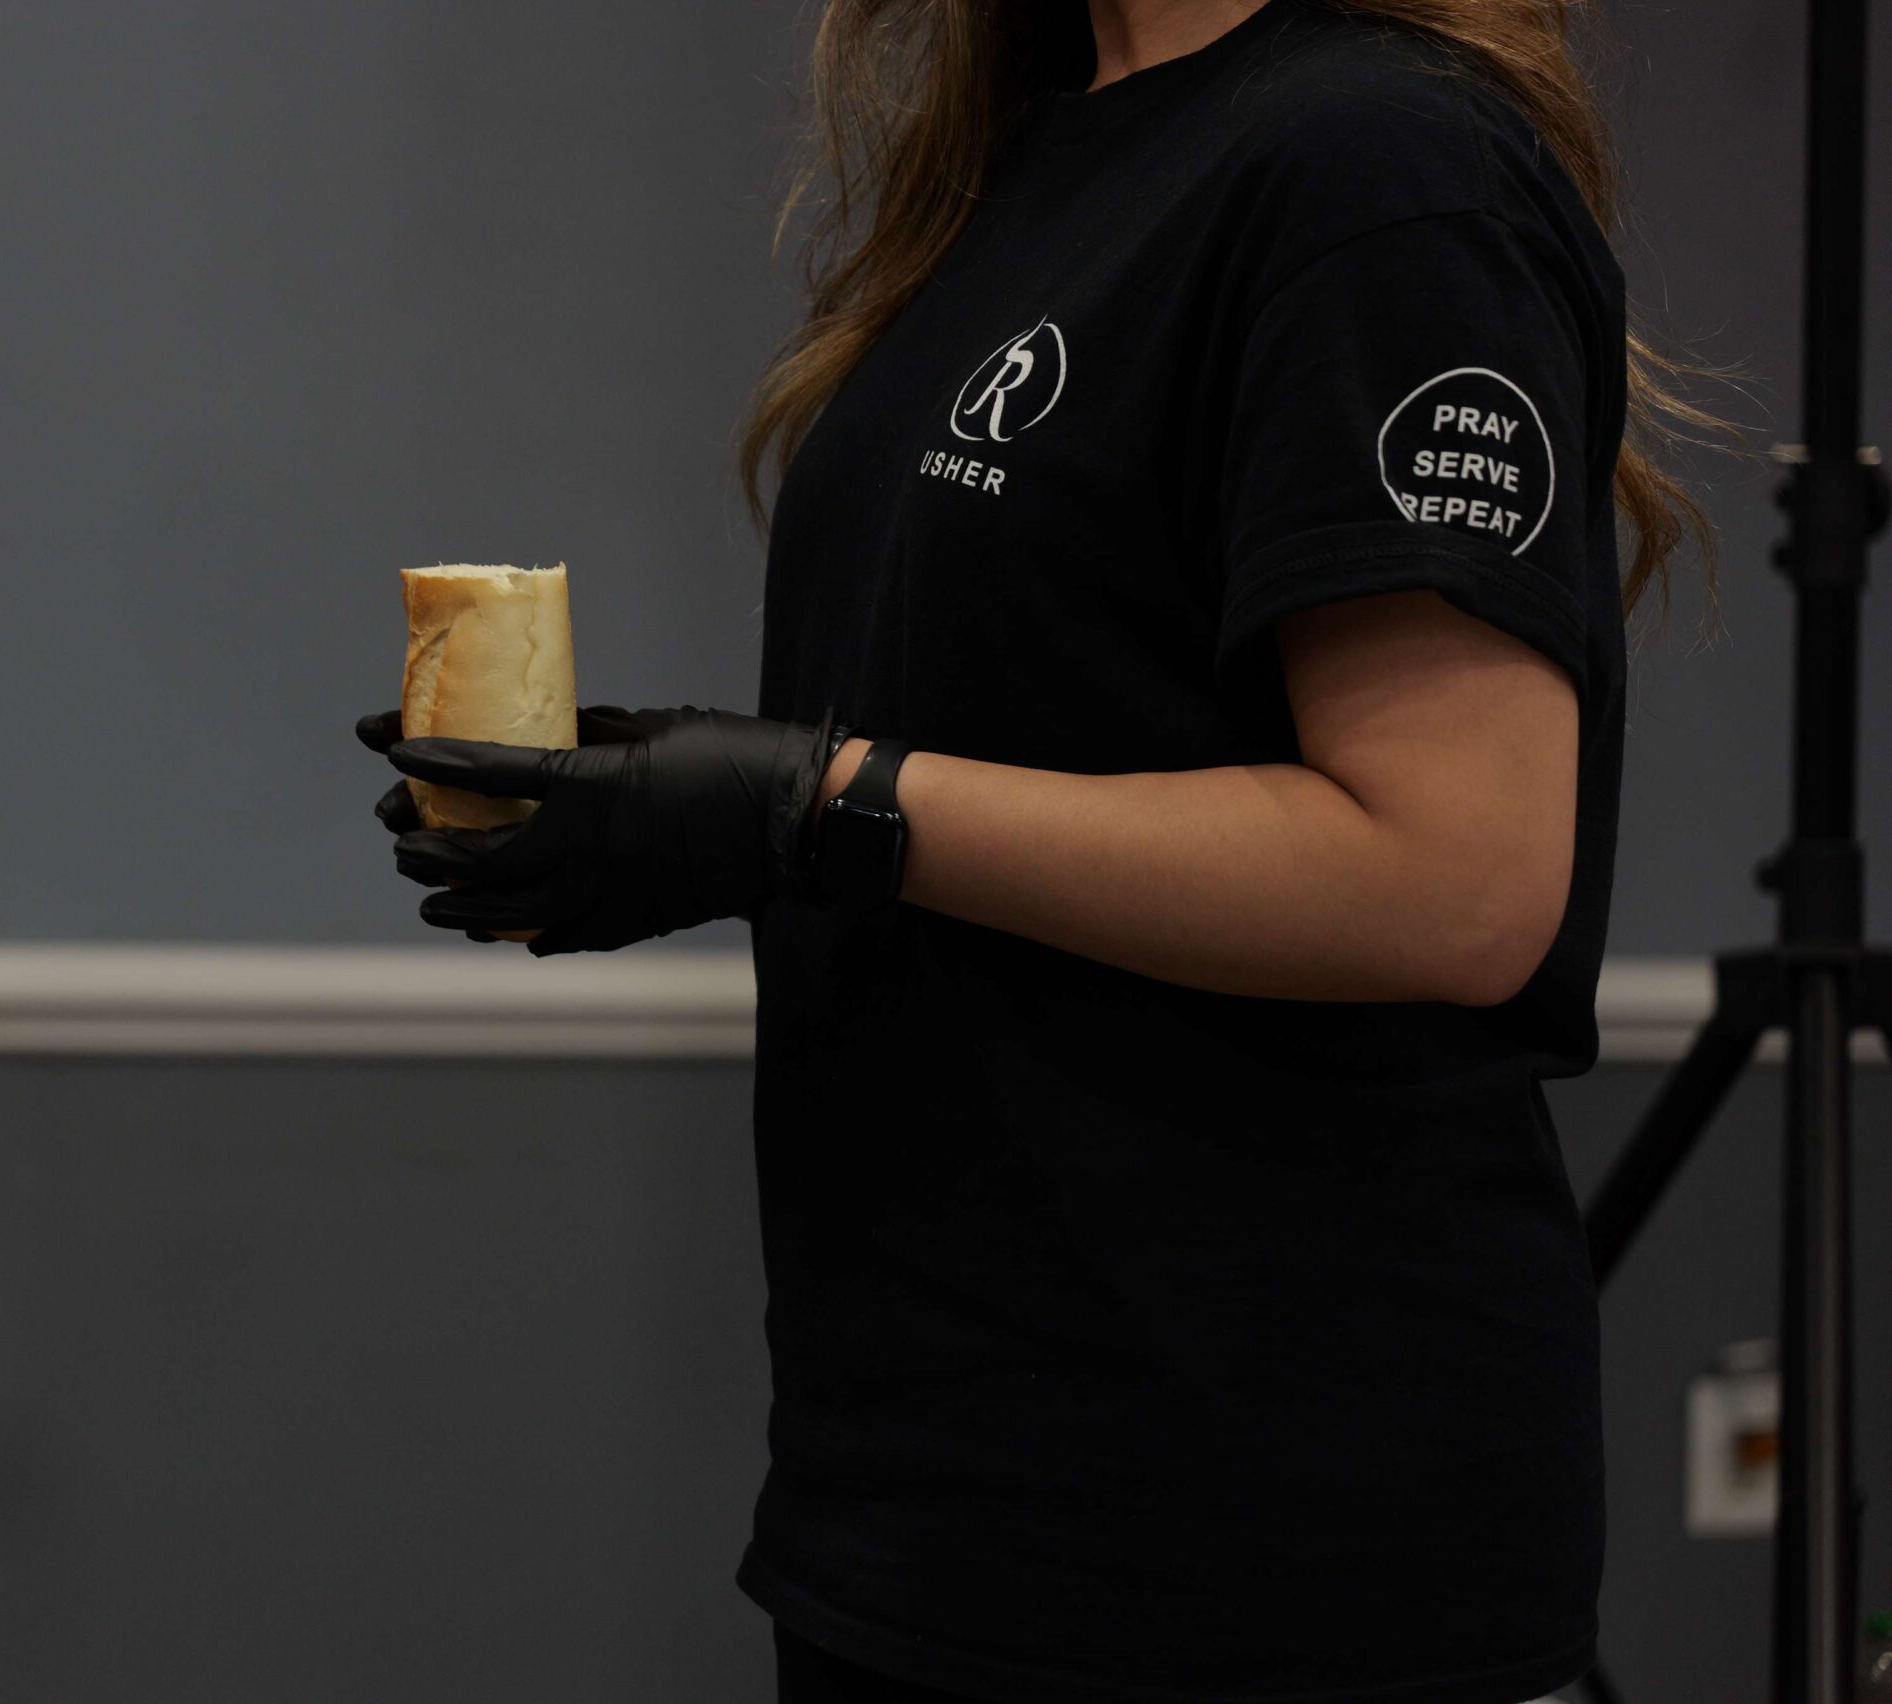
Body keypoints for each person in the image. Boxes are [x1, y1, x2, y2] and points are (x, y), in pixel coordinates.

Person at [356, 0, 1726, 1698]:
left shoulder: (1378, 157)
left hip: (1249, 1548)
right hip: (936, 1506)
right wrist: (709, 814)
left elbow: (1454, 883)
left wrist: (823, 804)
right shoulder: (1052, 144)